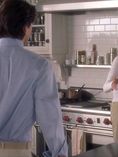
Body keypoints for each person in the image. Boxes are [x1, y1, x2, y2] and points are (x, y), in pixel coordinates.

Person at [0, 0, 68, 157]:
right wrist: (60, 153)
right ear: (25, 27)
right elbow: (50, 118)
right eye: (31, 26)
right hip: (13, 152)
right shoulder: (39, 66)